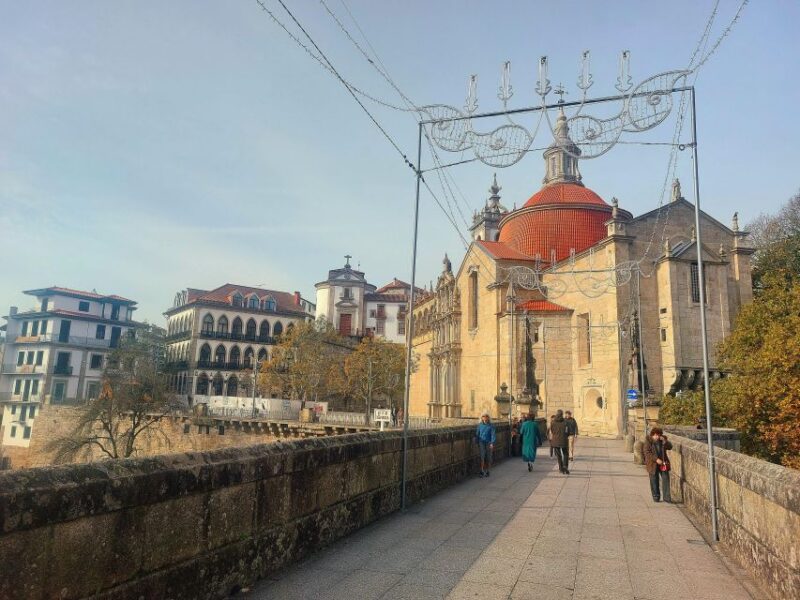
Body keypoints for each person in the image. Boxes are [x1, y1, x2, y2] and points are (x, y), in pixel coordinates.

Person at [643, 427, 672, 502]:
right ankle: (656, 496)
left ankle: (667, 497)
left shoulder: (662, 441)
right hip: (652, 464)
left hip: (663, 463)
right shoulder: (648, 442)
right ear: (652, 435)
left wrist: (665, 441)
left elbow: (670, 447)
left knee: (666, 479)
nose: (657, 437)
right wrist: (656, 459)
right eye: (655, 435)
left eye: (658, 435)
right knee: (654, 480)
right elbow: (647, 453)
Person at [475, 412, 497, 477]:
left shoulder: (491, 426)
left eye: (486, 416)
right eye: (483, 416)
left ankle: (487, 470)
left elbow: (493, 435)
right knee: (482, 457)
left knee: (489, 457)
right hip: (481, 442)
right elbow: (477, 434)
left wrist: (492, 443)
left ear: (488, 417)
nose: (485, 417)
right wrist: (476, 442)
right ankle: (481, 471)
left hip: (489, 443)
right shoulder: (479, 425)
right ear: (481, 418)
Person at [548, 410, 569, 474]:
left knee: (559, 455)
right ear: (562, 414)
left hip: (556, 440)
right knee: (565, 453)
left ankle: (560, 468)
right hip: (564, 440)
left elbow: (552, 430)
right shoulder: (565, 422)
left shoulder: (553, 422)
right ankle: (565, 466)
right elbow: (567, 431)